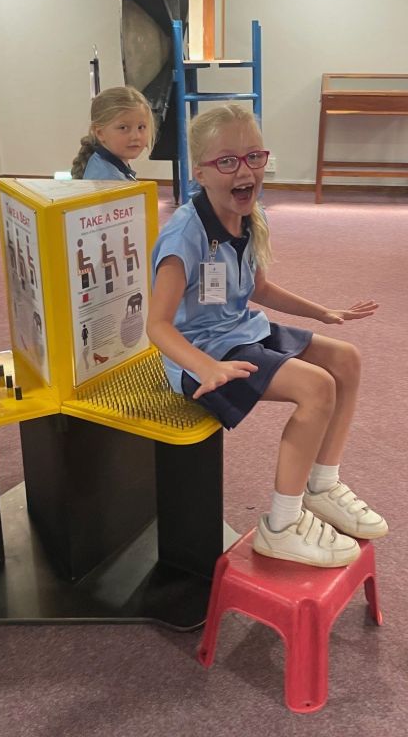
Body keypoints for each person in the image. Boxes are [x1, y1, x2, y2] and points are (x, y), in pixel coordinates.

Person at [147, 104, 388, 568]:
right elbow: (157, 326)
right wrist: (206, 367)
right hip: (201, 356)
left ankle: (323, 483)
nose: (245, 171)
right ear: (199, 171)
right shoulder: (184, 237)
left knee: (347, 360)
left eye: (254, 156)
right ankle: (281, 524)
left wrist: (322, 312)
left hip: (241, 330)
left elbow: (257, 288)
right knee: (317, 388)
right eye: (227, 161)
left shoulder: (251, 216)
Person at [70, 86, 155, 181]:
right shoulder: (108, 179)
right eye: (123, 128)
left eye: (141, 127)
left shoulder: (106, 165)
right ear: (100, 133)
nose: (136, 136)